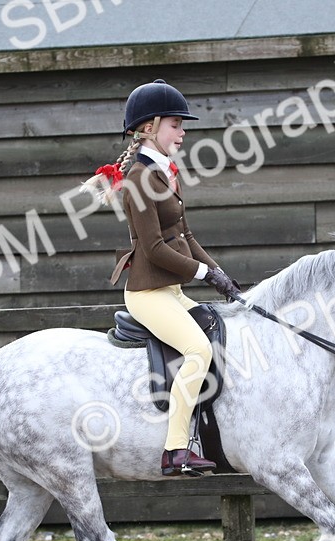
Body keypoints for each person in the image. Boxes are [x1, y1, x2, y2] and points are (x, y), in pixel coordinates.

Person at [82, 79, 243, 477]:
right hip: (148, 293)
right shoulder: (139, 179)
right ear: (150, 127)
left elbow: (186, 236)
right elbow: (153, 249)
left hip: (170, 290)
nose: (183, 132)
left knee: (225, 330)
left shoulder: (166, 173)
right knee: (198, 352)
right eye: (176, 124)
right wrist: (203, 272)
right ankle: (175, 450)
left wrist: (219, 273)